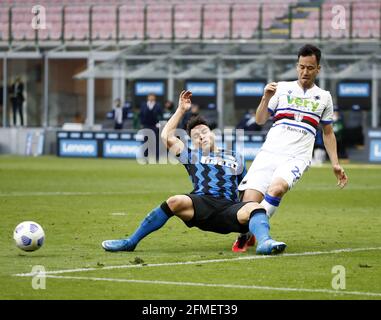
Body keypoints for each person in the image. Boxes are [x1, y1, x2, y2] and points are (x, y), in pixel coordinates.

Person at [102, 90, 286, 255]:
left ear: (213, 133)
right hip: (201, 205)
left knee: (256, 207)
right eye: (196, 136)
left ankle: (265, 242)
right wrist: (181, 110)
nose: (201, 136)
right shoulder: (190, 155)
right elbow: (166, 136)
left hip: (229, 209)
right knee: (174, 201)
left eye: (204, 132)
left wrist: (247, 218)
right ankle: (130, 242)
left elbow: (246, 188)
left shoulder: (234, 156)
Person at [232, 44, 348, 252]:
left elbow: (328, 132)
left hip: (297, 157)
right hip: (269, 153)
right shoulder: (281, 88)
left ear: (318, 69)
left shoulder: (324, 97)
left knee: (276, 189)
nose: (305, 72)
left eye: (310, 68)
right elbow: (260, 120)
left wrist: (336, 164)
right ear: (297, 66)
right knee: (249, 202)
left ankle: (258, 235)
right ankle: (246, 232)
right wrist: (265, 97)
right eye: (302, 67)